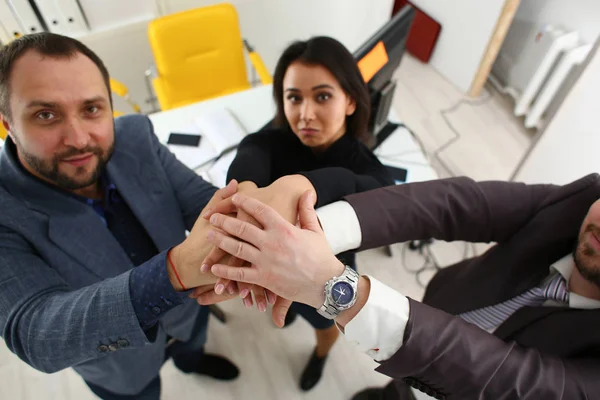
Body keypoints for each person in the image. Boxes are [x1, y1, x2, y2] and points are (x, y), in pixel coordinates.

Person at [0, 32, 314, 400]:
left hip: (187, 316)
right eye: (46, 114)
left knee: (190, 349)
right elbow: (37, 334)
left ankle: (191, 361)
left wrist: (260, 216)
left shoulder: (134, 135)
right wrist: (175, 272)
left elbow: (201, 202)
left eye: (92, 109)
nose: (79, 138)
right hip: (122, 367)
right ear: (8, 122)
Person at [199, 174, 600, 399]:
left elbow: (511, 382)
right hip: (412, 363)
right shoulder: (580, 202)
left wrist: (333, 287)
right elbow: (451, 202)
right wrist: (305, 237)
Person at [223, 36, 394, 391]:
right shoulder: (274, 140)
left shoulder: (366, 168)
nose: (305, 114)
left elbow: (377, 191)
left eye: (323, 96)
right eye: (294, 98)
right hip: (274, 267)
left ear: (350, 100)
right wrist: (247, 190)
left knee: (324, 324)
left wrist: (300, 185)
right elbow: (252, 150)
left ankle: (320, 354)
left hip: (326, 273)